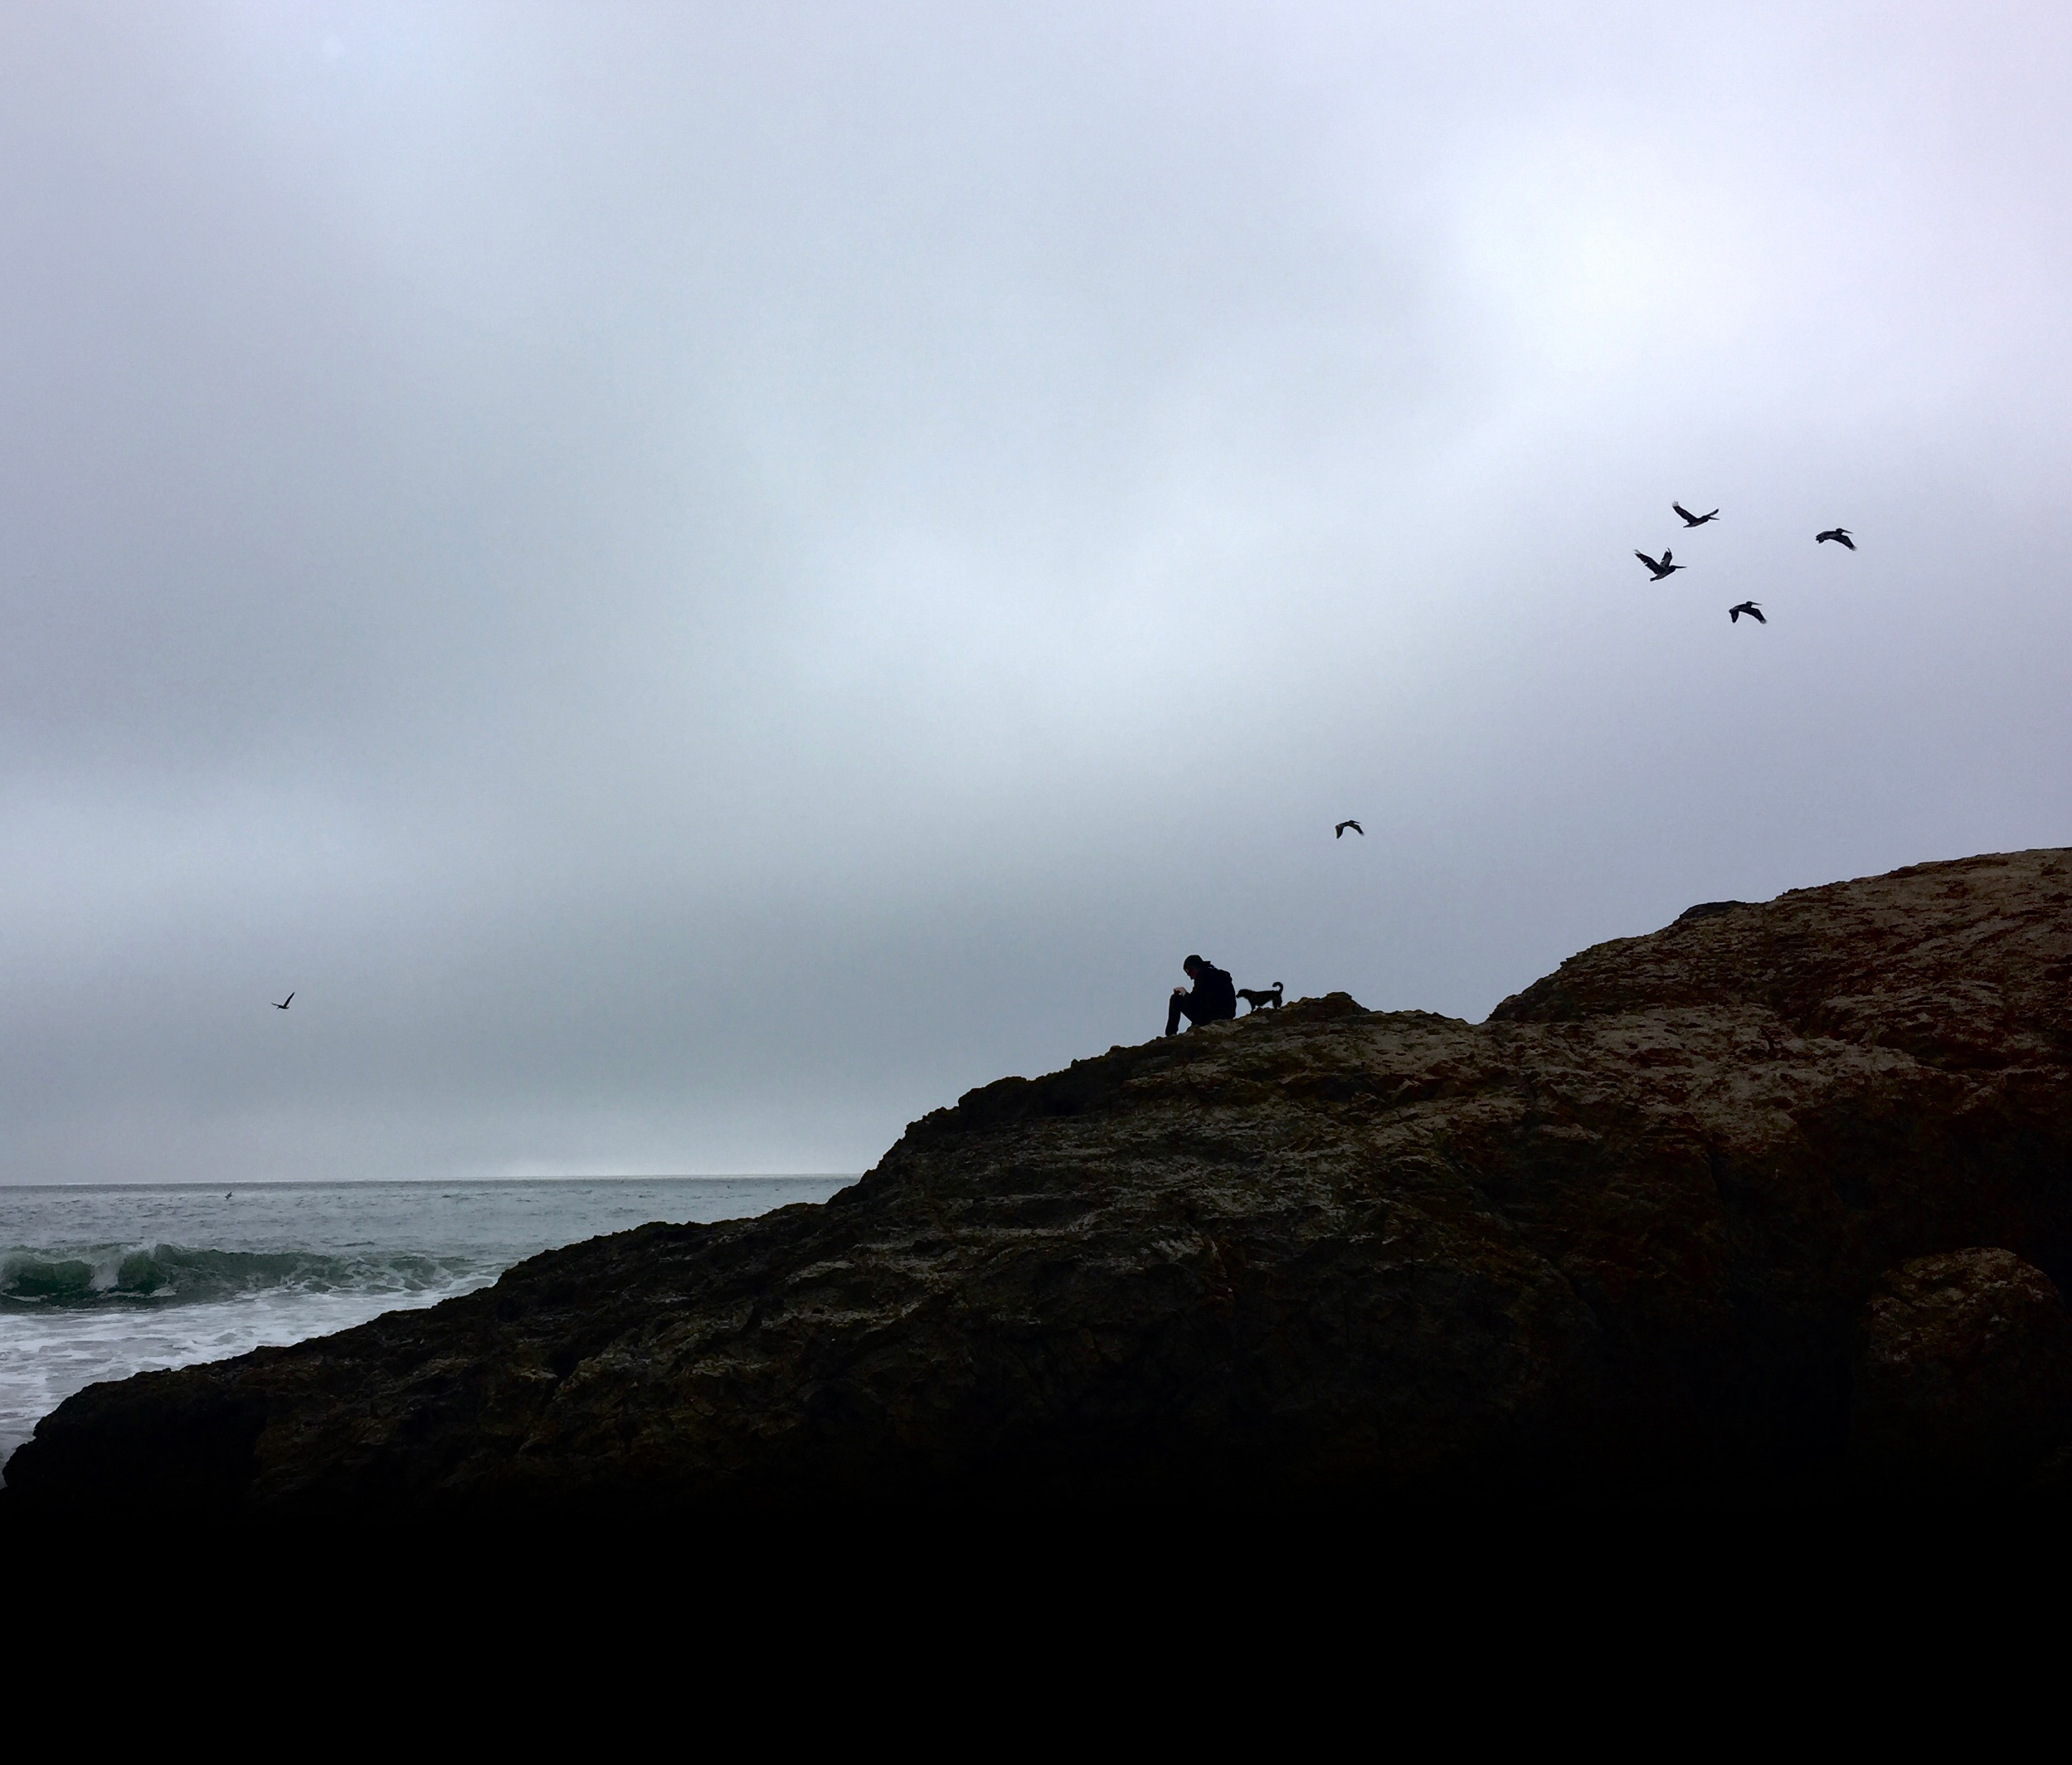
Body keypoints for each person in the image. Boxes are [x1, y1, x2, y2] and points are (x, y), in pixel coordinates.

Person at [1165, 954, 1237, 1037]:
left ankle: (1171, 1034)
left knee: (1176, 999)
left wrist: (1184, 993)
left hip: (1210, 1018)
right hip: (1227, 1015)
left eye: (1189, 972)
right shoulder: (1220, 975)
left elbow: (1195, 1001)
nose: (1191, 978)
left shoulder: (1202, 975)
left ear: (1194, 968)